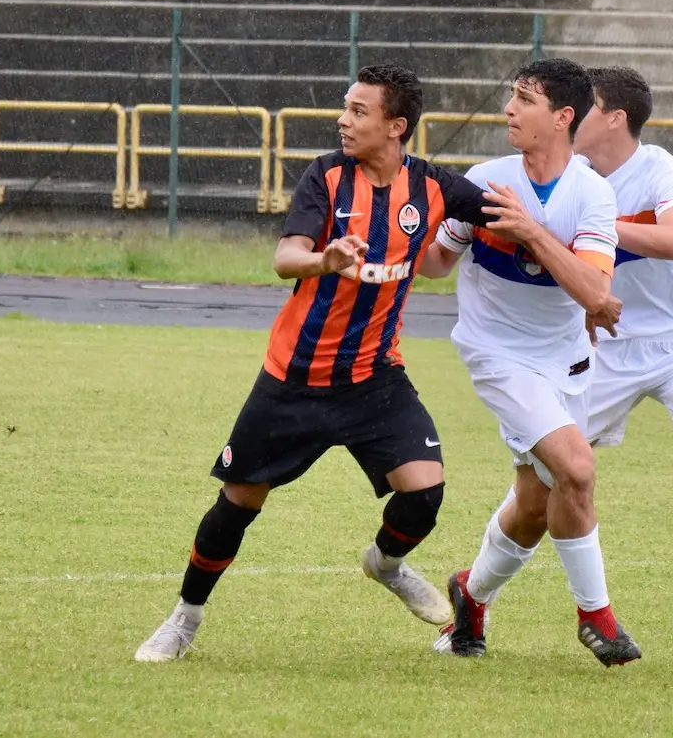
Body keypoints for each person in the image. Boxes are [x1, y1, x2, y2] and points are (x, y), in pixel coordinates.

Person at [133, 64, 492, 662]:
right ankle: (183, 622)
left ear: (395, 126)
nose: (342, 119)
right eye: (345, 108)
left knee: (425, 494)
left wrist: (567, 254)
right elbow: (284, 256)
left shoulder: (433, 187)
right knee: (238, 504)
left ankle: (386, 566)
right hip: (292, 381)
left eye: (358, 111)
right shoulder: (325, 177)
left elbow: (504, 219)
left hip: (374, 378)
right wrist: (324, 259)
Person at [449, 66, 673, 667]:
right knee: (539, 495)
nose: (572, 113)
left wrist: (563, 231)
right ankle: (473, 593)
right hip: (595, 348)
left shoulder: (659, 170)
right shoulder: (554, 179)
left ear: (612, 118)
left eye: (586, 107)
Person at [425, 59, 640, 668]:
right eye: (512, 97)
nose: (509, 110)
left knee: (537, 503)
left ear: (562, 116)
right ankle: (596, 618)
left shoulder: (593, 192)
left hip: (566, 362)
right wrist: (398, 230)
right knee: (576, 468)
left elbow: (596, 295)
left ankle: (471, 594)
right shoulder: (485, 180)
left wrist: (529, 231)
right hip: (496, 354)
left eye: (524, 99)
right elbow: (438, 262)